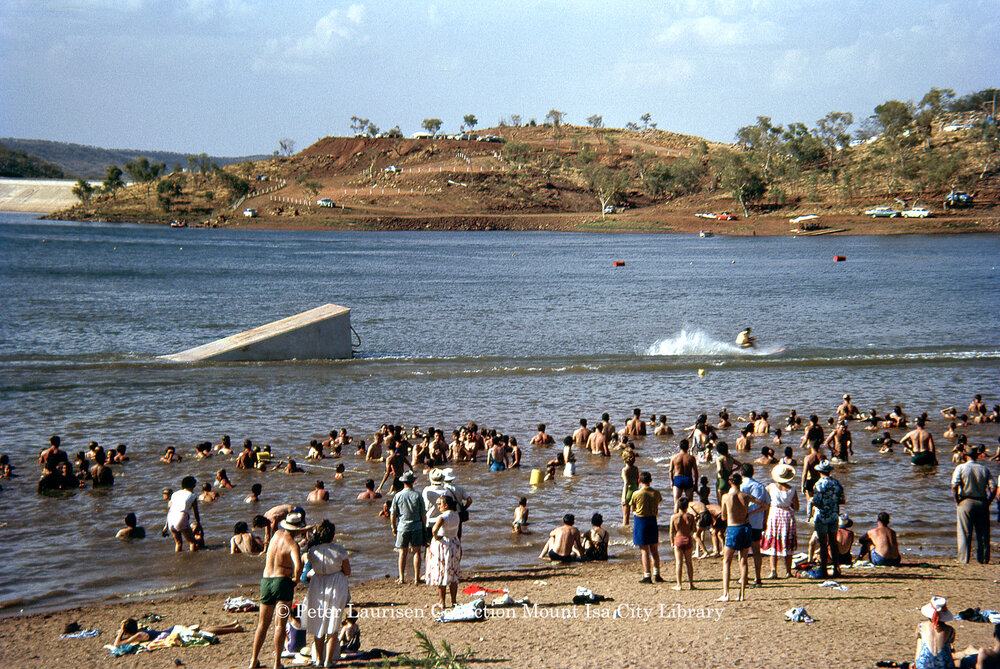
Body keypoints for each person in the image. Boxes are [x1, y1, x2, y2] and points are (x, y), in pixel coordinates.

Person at [248, 508, 308, 669]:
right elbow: (297, 566)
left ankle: (253, 661)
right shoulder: (293, 545)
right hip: (282, 583)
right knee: (280, 625)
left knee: (262, 624)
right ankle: (277, 663)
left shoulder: (275, 536)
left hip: (266, 581)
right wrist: (296, 579)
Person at [303, 519, 351, 668]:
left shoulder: (312, 551)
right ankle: (328, 660)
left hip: (317, 584)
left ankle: (318, 659)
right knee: (333, 623)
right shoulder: (339, 550)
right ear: (332, 534)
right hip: (336, 583)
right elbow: (348, 571)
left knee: (318, 622)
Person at [718, 472, 762, 602]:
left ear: (730, 482)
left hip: (733, 528)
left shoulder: (726, 497)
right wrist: (751, 513)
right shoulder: (746, 496)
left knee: (726, 561)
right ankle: (742, 594)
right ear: (740, 482)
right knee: (743, 561)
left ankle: (726, 593)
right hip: (745, 527)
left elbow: (723, 516)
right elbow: (764, 505)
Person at [951, 446, 996, 564]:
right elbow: (993, 487)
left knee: (964, 532)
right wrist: (989, 501)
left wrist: (957, 500)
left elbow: (954, 485)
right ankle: (984, 558)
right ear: (977, 456)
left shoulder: (960, 468)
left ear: (966, 455)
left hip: (965, 501)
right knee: (983, 533)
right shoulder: (984, 469)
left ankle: (964, 559)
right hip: (981, 501)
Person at [761, 463, 799, 578]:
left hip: (774, 514)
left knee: (774, 542)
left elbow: (763, 498)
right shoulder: (792, 490)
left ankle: (773, 570)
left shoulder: (770, 487)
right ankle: (788, 571)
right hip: (787, 514)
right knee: (787, 543)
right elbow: (797, 507)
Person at [809, 460, 845, 577]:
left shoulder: (819, 484)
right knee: (833, 543)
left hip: (822, 516)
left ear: (819, 471)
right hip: (834, 515)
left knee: (823, 544)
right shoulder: (837, 483)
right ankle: (836, 568)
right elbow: (842, 500)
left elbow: (817, 501)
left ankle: (823, 569)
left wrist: (810, 501)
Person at [390, 471, 425, 584]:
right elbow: (423, 514)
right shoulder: (418, 495)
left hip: (403, 526)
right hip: (416, 526)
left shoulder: (398, 495)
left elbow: (393, 514)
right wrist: (424, 527)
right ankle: (416, 578)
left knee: (402, 553)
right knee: (416, 552)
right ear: (413, 482)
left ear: (403, 482)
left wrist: (393, 527)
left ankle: (401, 577)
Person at [426, 495, 462, 608]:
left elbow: (434, 530)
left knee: (441, 572)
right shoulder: (456, 515)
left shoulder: (442, 517)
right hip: (454, 542)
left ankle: (442, 601)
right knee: (453, 573)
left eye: (440, 504)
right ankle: (454, 600)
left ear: (446, 505)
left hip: (444, 545)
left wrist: (437, 537)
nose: (438, 507)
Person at [739, 463, 770, 586]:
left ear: (741, 473)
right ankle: (758, 577)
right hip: (757, 522)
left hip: (743, 522)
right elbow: (767, 505)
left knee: (743, 552)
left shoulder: (741, 486)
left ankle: (743, 577)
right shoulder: (760, 486)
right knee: (757, 551)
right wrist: (765, 521)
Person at [630, 471, 663, 583]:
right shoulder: (656, 493)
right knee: (654, 549)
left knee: (644, 550)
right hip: (652, 519)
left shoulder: (636, 493)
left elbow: (633, 508)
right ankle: (657, 574)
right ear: (650, 480)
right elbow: (659, 502)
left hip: (641, 520)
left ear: (639, 481)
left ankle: (647, 575)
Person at [914, 596, 955, 669]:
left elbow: (919, 650)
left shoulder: (921, 626)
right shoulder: (950, 630)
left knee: (920, 643)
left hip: (924, 665)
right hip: (944, 665)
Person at [166, 476, 200, 552]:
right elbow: (196, 513)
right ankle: (193, 561)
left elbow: (170, 509)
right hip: (181, 517)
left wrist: (165, 526)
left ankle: (178, 559)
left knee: (178, 543)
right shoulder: (192, 496)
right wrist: (198, 524)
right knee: (192, 542)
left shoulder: (174, 494)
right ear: (193, 486)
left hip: (171, 518)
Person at [669, 497, 696, 590]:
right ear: (687, 506)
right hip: (688, 538)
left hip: (678, 539)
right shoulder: (690, 517)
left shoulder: (674, 517)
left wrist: (672, 542)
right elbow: (694, 530)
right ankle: (691, 584)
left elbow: (671, 532)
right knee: (689, 563)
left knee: (679, 563)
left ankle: (679, 584)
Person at [669, 439, 698, 506]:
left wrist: (672, 481)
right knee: (690, 503)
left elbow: (670, 471)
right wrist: (695, 483)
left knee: (676, 502)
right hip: (688, 479)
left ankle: (675, 516)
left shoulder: (674, 457)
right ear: (688, 447)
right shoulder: (691, 458)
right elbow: (695, 472)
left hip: (678, 479)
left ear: (680, 447)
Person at [621, 450, 639, 525]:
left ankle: (625, 531)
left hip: (628, 491)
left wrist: (624, 497)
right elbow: (637, 481)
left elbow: (626, 483)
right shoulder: (636, 469)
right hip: (635, 491)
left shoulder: (625, 470)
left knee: (626, 515)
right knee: (635, 513)